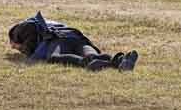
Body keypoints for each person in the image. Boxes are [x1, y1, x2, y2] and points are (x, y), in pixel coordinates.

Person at [8, 12, 138, 71]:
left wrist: (22, 47)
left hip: (58, 38)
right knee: (91, 55)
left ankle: (83, 62)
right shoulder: (45, 22)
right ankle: (119, 61)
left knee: (54, 57)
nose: (13, 47)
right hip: (77, 37)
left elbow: (32, 49)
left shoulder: (23, 27)